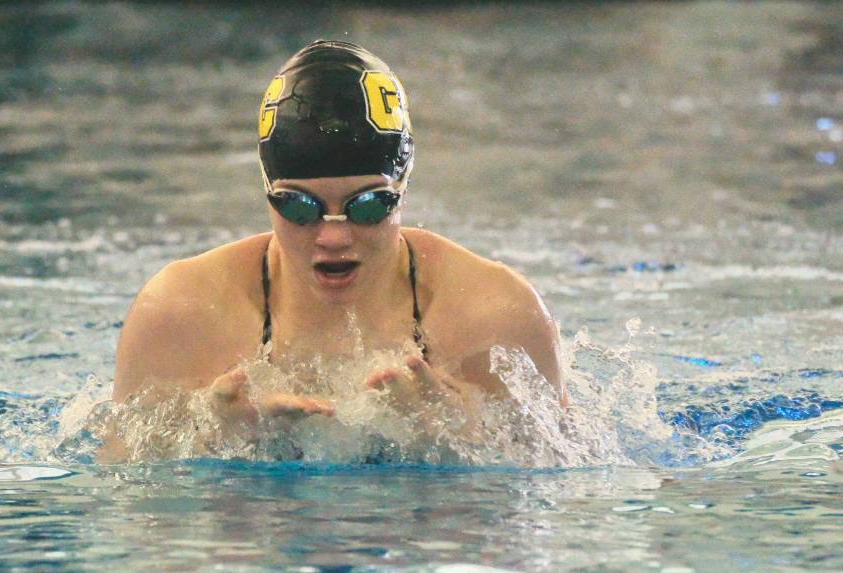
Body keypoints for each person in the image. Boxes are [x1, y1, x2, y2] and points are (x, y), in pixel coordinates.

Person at [107, 40, 565, 459]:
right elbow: (124, 488)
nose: (334, 237)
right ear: (268, 194)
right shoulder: (180, 313)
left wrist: (457, 440)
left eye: (367, 205)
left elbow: (561, 473)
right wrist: (211, 440)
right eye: (299, 206)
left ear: (402, 191)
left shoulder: (493, 315)